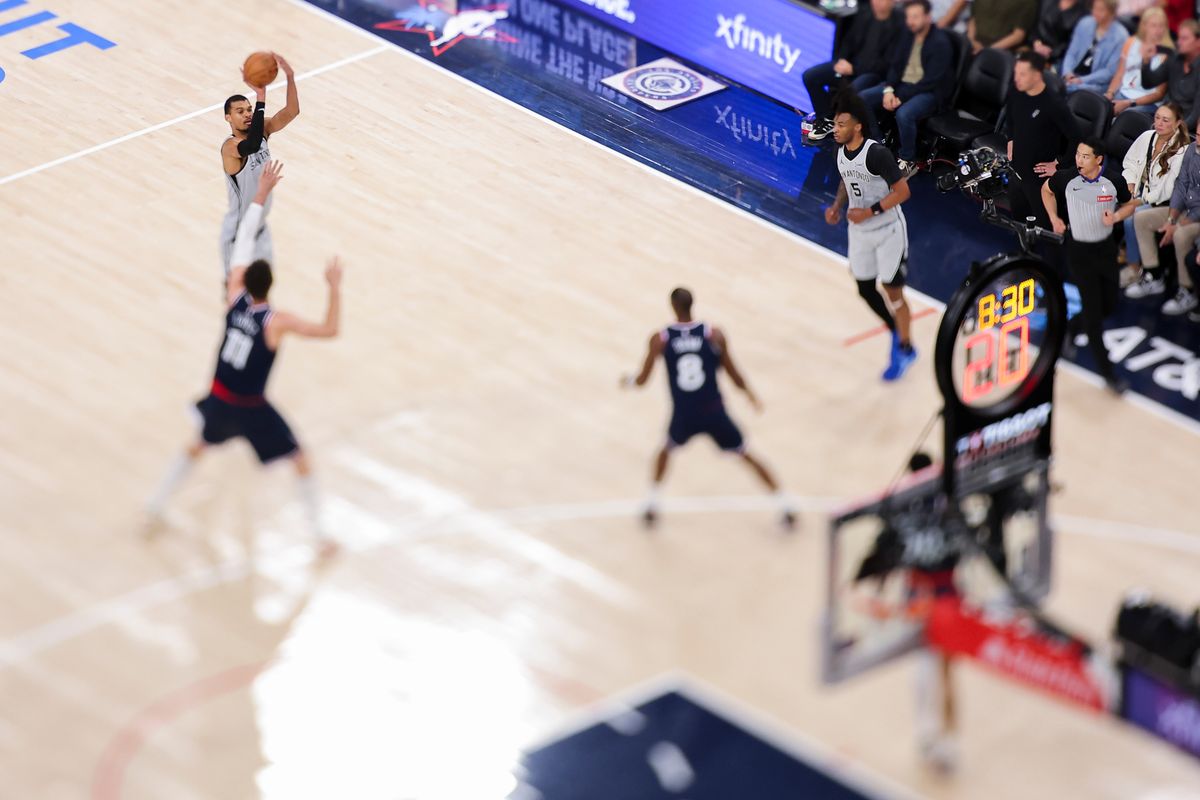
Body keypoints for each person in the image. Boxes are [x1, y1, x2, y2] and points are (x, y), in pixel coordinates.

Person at [147, 162, 343, 553]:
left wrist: (259, 195)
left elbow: (241, 246)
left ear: (241, 282)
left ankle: (155, 506)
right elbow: (329, 330)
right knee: (300, 458)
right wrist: (334, 288)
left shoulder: (234, 298)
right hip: (251, 408)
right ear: (271, 284)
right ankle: (320, 536)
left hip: (219, 398)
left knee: (197, 446)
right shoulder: (276, 321)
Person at [621, 288, 795, 529]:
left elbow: (642, 380)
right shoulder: (713, 334)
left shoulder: (661, 339)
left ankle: (651, 503)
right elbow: (733, 372)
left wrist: (628, 381)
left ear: (673, 307)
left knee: (666, 451)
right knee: (745, 453)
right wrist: (750, 394)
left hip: (685, 414)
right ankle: (785, 505)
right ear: (692, 305)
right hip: (714, 411)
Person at [825, 90, 919, 381]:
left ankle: (905, 347)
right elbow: (846, 179)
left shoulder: (877, 154)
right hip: (859, 231)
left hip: (888, 229)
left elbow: (903, 191)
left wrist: (870, 211)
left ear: (857, 127)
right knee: (865, 288)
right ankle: (895, 331)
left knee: (893, 291)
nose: (835, 129)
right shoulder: (840, 152)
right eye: (835, 124)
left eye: (841, 124)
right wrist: (837, 206)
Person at [1042, 138, 1136, 393]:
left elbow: (1131, 204)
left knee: (1110, 305)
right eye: (1077, 155)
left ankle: (1072, 328)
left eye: (1085, 156)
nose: (1079, 160)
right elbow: (1046, 190)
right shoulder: (1067, 178)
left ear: (1098, 160)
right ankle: (1109, 375)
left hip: (1106, 250)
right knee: (1094, 316)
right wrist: (1054, 218)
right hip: (1079, 251)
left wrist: (1116, 216)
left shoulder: (1114, 181)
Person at [219, 53, 300, 276]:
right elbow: (253, 145)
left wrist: (290, 76)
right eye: (240, 111)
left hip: (261, 231)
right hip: (239, 235)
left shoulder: (261, 129)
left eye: (249, 110)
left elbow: (292, 111)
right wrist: (261, 97)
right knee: (236, 294)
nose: (247, 114)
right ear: (228, 117)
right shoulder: (230, 147)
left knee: (262, 292)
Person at [858, 0, 956, 174]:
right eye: (908, 17)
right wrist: (889, 89)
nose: (910, 21)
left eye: (915, 17)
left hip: (930, 92)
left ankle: (908, 158)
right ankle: (877, 144)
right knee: (863, 98)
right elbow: (895, 65)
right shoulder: (907, 35)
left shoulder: (940, 43)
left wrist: (899, 96)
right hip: (901, 85)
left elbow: (931, 81)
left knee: (905, 114)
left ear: (928, 17)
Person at [802, 0, 904, 139]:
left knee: (851, 92)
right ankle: (827, 119)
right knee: (810, 76)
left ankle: (875, 141)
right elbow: (849, 41)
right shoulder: (866, 13)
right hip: (851, 65)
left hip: (874, 74)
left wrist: (854, 69)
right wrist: (842, 59)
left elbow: (888, 64)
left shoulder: (899, 25)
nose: (877, 3)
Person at [1005, 51, 1080, 227]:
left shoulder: (1053, 104)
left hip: (1038, 177)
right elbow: (1010, 115)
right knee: (1018, 220)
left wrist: (1059, 165)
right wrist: (1011, 139)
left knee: (1044, 226)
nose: (1017, 78)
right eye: (1016, 73)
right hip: (1017, 169)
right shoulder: (1016, 91)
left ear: (1037, 75)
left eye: (1022, 74)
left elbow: (1077, 138)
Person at [1121, 101, 1188, 295]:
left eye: (1165, 120)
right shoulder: (1147, 136)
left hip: (1163, 202)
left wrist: (1137, 201)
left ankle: (1135, 268)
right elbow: (1130, 163)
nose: (1159, 123)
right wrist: (1130, 183)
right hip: (1140, 192)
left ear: (1177, 123)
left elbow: (1165, 192)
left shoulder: (1181, 150)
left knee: (1130, 218)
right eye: (1157, 118)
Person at [1142, 117, 1200, 315]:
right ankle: (1154, 276)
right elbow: (1181, 185)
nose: (1198, 140)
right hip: (1184, 210)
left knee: (1181, 235)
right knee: (1142, 219)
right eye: (1197, 135)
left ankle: (1187, 291)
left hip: (1197, 218)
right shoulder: (1191, 150)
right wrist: (1171, 218)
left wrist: (1179, 224)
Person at [1103, 7, 1171, 116]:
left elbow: (1159, 94)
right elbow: (1119, 74)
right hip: (1123, 92)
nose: (1158, 30)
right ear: (1144, 26)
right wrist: (1110, 93)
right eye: (1153, 25)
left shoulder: (1167, 54)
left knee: (1124, 115)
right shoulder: (1131, 42)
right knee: (1102, 108)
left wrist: (1129, 103)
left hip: (1145, 102)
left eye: (1161, 26)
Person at [1061, 0, 1130, 95]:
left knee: (1072, 90)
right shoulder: (1085, 23)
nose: (1095, 12)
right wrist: (1067, 72)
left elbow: (1109, 72)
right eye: (1094, 8)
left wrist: (1081, 80)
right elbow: (1071, 53)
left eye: (1101, 10)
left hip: (1094, 84)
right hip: (1072, 76)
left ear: (1112, 12)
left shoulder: (1121, 36)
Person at [1141, 19, 1200, 128]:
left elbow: (1196, 114)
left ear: (1198, 42)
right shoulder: (1174, 58)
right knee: (1130, 118)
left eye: (1184, 38)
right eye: (1179, 38)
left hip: (1184, 126)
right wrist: (1146, 62)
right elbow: (1148, 83)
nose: (1179, 42)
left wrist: (1176, 129)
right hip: (1163, 117)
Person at [1031, 0, 1089, 66]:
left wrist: (1051, 52)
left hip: (1058, 57)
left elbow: (1072, 43)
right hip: (1034, 45)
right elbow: (1036, 24)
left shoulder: (1084, 15)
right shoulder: (1046, 2)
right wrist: (1037, 43)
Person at [968, 0, 1037, 52]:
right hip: (973, 44)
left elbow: (1018, 35)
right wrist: (972, 41)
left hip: (1001, 52)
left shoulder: (1026, 2)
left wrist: (987, 50)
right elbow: (973, 18)